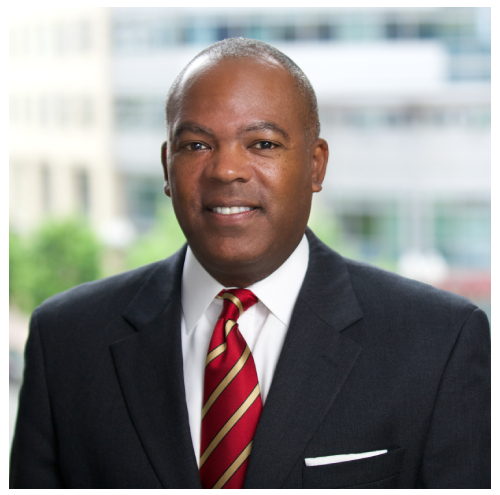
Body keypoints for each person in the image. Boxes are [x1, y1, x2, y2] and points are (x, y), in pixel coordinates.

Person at [10, 38, 490, 489]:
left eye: (262, 143)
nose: (225, 169)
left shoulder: (440, 342)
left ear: (316, 165)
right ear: (166, 168)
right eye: (196, 145)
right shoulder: (66, 340)